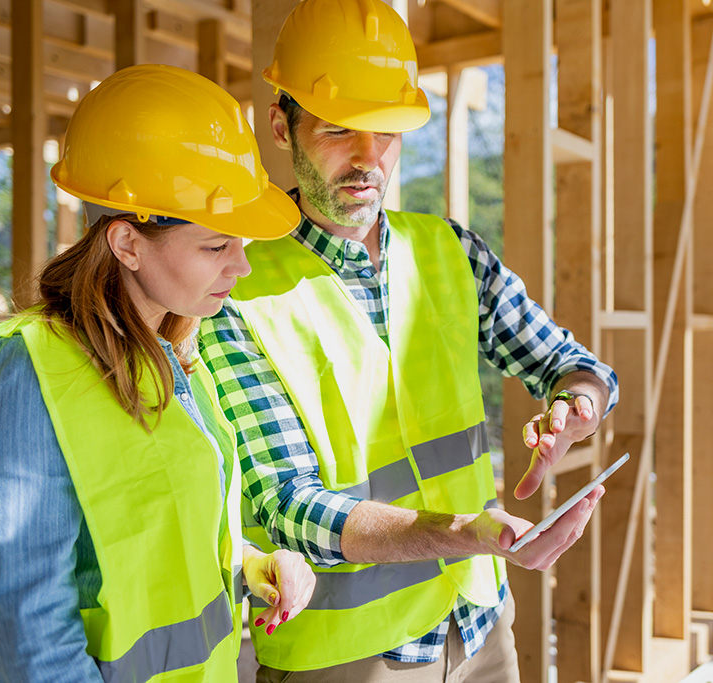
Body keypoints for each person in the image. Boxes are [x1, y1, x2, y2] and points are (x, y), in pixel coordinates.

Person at [197, 1, 620, 681]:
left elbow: (577, 366)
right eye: (340, 129)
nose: (370, 158)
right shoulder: (234, 291)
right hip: (346, 657)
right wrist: (463, 533)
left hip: (480, 626)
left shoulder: (448, 251)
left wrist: (575, 408)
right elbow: (291, 505)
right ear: (282, 126)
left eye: (389, 131)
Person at [0, 64, 315, 683]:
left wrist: (246, 562)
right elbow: (34, 642)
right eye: (216, 246)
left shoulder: (169, 356)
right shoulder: (28, 379)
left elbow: (132, 544)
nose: (240, 267)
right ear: (127, 244)